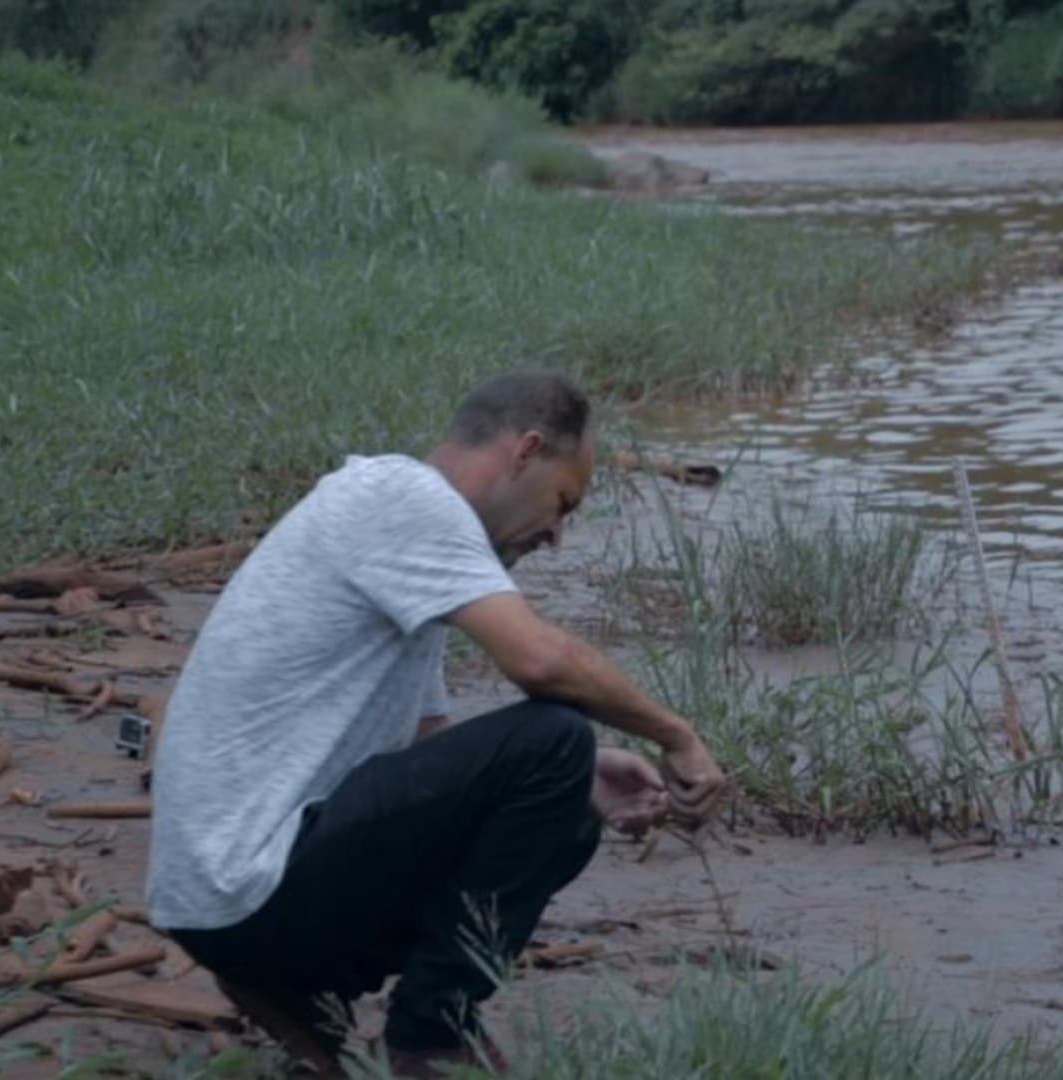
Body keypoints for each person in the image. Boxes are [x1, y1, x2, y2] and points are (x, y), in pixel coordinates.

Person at [145, 370, 725, 1076]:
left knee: (568, 781)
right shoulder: (404, 498)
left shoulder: (408, 537)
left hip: (224, 900)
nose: (557, 535)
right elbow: (540, 663)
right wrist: (676, 736)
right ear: (525, 451)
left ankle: (297, 992)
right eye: (561, 501)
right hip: (243, 891)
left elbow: (426, 751)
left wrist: (582, 773)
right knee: (555, 737)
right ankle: (430, 1037)